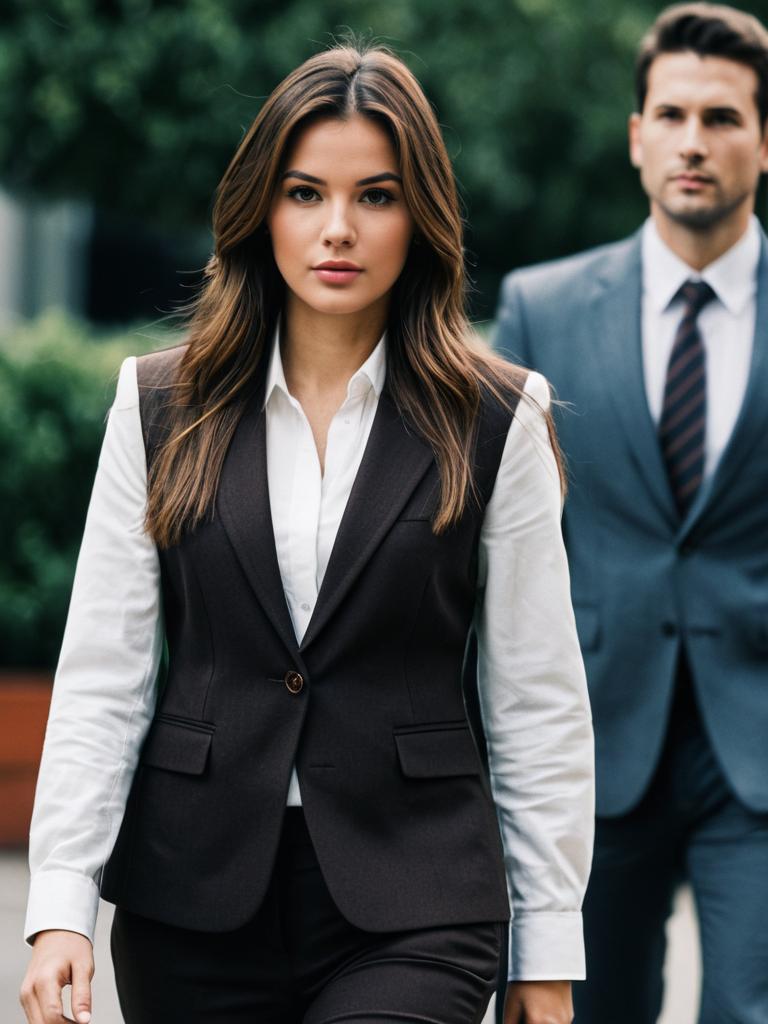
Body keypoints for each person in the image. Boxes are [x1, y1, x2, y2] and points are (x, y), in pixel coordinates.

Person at [20, 43, 593, 1024]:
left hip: (417, 900)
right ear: (262, 207)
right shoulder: (159, 404)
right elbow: (102, 674)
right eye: (303, 192)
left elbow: (537, 704)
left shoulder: (501, 416)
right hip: (193, 901)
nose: (338, 228)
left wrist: (548, 950)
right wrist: (60, 904)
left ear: (422, 215)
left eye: (376, 195)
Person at [494, 4, 768, 1022]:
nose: (695, 139)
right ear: (637, 135)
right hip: (596, 740)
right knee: (589, 1007)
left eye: (724, 116)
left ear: (764, 139)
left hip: (759, 749)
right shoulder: (542, 309)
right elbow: (513, 544)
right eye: (673, 113)